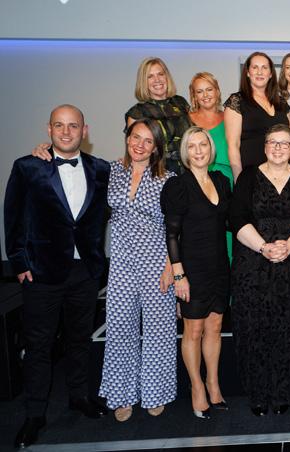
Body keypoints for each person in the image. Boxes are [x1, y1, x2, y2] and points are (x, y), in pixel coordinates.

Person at [5, 105, 110, 448]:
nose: (66, 132)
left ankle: (78, 397)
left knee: (80, 340)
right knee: (39, 346)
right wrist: (19, 262)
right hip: (41, 273)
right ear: (48, 130)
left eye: (73, 126)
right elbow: (14, 217)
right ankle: (35, 414)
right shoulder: (27, 166)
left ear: (85, 130)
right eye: (59, 126)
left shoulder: (102, 169)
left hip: (85, 272)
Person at [229, 124, 290, 416]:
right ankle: (258, 393)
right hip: (253, 264)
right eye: (273, 142)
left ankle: (284, 391)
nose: (278, 148)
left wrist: (289, 246)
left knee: (289, 327)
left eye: (285, 143)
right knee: (255, 328)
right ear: (265, 146)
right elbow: (237, 218)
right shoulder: (248, 177)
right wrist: (263, 247)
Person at [98, 119, 177, 421]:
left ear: (156, 147)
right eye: (135, 137)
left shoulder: (168, 179)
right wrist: (44, 150)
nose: (140, 145)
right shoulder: (111, 171)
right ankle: (122, 394)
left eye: (147, 141)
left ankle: (156, 392)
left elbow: (175, 226)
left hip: (157, 262)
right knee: (119, 328)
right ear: (127, 138)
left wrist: (171, 266)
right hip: (121, 263)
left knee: (159, 331)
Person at [161, 127, 232, 419]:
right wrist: (179, 275)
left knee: (215, 327)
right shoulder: (178, 186)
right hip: (192, 268)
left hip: (220, 266)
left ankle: (213, 384)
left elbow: (230, 222)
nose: (199, 151)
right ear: (185, 152)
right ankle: (196, 387)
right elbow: (171, 235)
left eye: (203, 144)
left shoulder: (221, 181)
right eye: (192, 146)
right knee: (194, 330)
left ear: (211, 148)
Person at [189, 71, 233, 265]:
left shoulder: (230, 117)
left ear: (217, 91)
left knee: (229, 238)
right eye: (200, 91)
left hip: (228, 182)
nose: (205, 95)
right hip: (198, 183)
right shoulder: (186, 119)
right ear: (194, 96)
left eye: (209, 89)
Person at [224, 52, 290, 180]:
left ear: (270, 74)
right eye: (255, 67)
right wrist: (239, 181)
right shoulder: (237, 101)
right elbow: (233, 145)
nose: (260, 72)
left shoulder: (281, 103)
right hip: (252, 175)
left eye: (264, 68)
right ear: (248, 73)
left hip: (282, 175)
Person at [125, 57, 192, 174]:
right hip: (157, 174)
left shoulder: (181, 103)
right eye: (150, 76)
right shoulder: (137, 113)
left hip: (188, 170)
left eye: (160, 74)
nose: (157, 80)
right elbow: (134, 152)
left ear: (167, 77)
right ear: (144, 82)